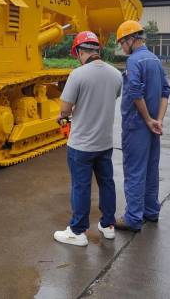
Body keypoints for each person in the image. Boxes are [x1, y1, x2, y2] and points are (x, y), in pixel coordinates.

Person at [53, 31, 123, 247]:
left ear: (79, 51)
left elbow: (65, 109)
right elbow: (111, 98)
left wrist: (62, 116)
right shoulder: (116, 74)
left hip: (81, 144)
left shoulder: (78, 75)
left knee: (81, 186)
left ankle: (78, 231)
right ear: (97, 49)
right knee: (106, 183)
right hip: (105, 142)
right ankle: (108, 225)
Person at [115, 21, 170, 233]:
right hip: (153, 126)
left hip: (137, 125)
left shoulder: (133, 61)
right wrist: (158, 120)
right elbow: (165, 91)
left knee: (134, 171)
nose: (122, 47)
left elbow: (136, 93)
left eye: (122, 42)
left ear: (131, 39)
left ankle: (132, 218)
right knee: (150, 169)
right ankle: (151, 210)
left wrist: (148, 119)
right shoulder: (155, 60)